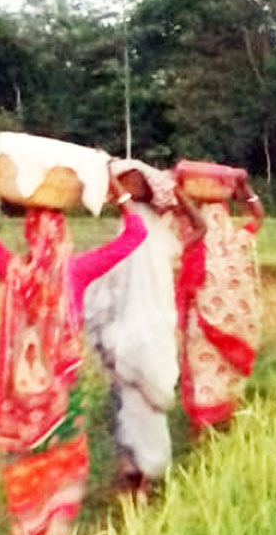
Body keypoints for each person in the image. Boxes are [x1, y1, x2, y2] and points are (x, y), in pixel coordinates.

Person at [0, 134, 145, 535]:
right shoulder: (76, 272)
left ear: (29, 236)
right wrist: (119, 198)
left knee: (27, 472)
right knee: (61, 470)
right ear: (64, 239)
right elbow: (133, 235)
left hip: (23, 407)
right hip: (63, 400)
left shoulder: (14, 271)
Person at [83, 159, 205, 501]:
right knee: (126, 404)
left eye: (130, 182)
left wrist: (175, 193)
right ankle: (133, 471)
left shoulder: (150, 233)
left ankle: (143, 476)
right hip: (131, 329)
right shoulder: (136, 231)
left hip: (147, 329)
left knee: (139, 404)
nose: (123, 188)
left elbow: (198, 228)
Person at [172, 160, 264, 436]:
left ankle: (202, 434)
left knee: (203, 376)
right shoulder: (236, 240)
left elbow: (192, 221)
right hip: (230, 323)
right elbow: (258, 216)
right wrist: (245, 187)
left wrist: (179, 190)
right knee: (224, 377)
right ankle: (223, 426)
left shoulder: (192, 230)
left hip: (202, 319)